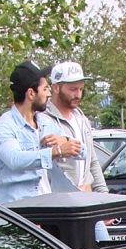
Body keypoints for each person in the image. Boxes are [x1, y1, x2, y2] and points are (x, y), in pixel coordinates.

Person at [0, 61, 74, 205]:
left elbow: (81, 151)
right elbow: (15, 160)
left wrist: (64, 140)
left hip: (47, 206)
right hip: (18, 211)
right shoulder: (4, 126)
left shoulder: (45, 122)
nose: (49, 93)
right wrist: (56, 151)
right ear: (31, 93)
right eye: (45, 88)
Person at [46, 60, 106, 193]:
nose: (78, 94)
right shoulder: (43, 120)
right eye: (73, 89)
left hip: (85, 198)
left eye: (81, 89)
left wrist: (104, 197)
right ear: (55, 88)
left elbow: (92, 161)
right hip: (58, 203)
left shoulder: (82, 119)